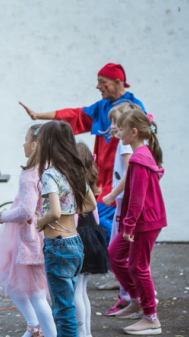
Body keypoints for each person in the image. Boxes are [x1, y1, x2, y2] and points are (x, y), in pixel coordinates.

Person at [19, 63, 144, 239]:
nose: (98, 86)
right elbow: (76, 116)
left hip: (118, 183)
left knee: (112, 228)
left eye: (102, 82)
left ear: (117, 83)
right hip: (103, 180)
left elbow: (135, 156)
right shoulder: (101, 107)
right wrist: (40, 116)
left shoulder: (132, 109)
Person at [0, 124, 57, 337]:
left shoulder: (30, 173)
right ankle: (34, 326)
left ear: (35, 145)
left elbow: (26, 209)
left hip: (30, 241)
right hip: (33, 239)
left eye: (25, 140)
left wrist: (4, 215)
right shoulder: (50, 169)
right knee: (12, 282)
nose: (23, 145)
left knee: (36, 294)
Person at [31, 121, 96, 337]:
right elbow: (91, 204)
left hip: (57, 246)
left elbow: (54, 212)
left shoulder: (49, 174)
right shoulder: (75, 171)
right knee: (66, 307)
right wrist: (69, 213)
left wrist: (41, 222)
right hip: (75, 243)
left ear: (47, 145)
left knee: (63, 310)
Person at [108, 111, 166, 335]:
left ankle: (151, 318)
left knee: (139, 267)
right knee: (114, 255)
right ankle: (137, 300)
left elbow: (138, 198)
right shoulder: (142, 154)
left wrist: (128, 226)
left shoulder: (138, 157)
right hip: (140, 221)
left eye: (121, 128)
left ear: (133, 132)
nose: (117, 131)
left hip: (145, 222)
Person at [101, 103, 143, 314]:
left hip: (125, 204)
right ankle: (128, 294)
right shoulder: (123, 144)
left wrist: (112, 194)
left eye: (116, 122)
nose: (113, 126)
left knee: (120, 252)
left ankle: (129, 296)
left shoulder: (126, 145)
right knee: (119, 251)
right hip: (122, 202)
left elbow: (129, 174)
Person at [74, 142, 109, 337]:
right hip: (92, 237)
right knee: (82, 291)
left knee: (76, 292)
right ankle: (86, 334)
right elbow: (94, 215)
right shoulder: (88, 183)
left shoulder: (76, 185)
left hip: (80, 239)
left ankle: (81, 336)